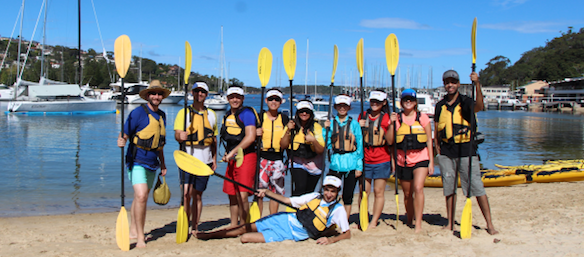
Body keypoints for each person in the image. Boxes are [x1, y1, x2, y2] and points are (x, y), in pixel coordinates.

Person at [196, 176, 351, 245]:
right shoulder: (314, 196)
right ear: (323, 188)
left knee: (245, 238)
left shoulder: (337, 210)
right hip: (283, 219)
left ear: (338, 193)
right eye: (327, 190)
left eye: (333, 191)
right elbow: (285, 200)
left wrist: (330, 240)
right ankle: (209, 235)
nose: (329, 194)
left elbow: (347, 234)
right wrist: (267, 192)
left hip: (289, 234)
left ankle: (213, 236)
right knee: (242, 228)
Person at [434, 70, 498, 235]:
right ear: (444, 84)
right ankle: (450, 223)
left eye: (453, 82)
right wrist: (438, 151)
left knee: (477, 187)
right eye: (447, 82)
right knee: (449, 189)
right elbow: (436, 130)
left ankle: (489, 224)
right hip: (447, 152)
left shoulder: (466, 102)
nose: (450, 85)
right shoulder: (440, 106)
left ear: (458, 84)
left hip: (466, 151)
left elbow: (480, 106)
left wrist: (477, 83)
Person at [117, 80, 168, 248]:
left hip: (153, 163)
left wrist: (163, 164)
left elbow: (159, 143)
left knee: (140, 197)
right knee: (141, 196)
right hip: (136, 160)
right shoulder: (138, 113)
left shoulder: (162, 116)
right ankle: (140, 236)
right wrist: (121, 140)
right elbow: (125, 133)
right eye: (153, 93)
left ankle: (133, 229)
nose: (156, 96)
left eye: (159, 94)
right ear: (147, 96)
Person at [387, 89, 434, 233]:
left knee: (418, 188)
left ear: (415, 103)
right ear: (401, 102)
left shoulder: (423, 117)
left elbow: (429, 142)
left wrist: (431, 162)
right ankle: (409, 217)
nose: (408, 102)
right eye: (406, 99)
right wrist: (391, 124)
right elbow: (390, 141)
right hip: (403, 160)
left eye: (411, 100)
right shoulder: (396, 118)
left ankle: (418, 224)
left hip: (421, 158)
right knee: (407, 194)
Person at [174, 82, 218, 234]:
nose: (200, 94)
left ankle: (195, 226)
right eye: (197, 91)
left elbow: (214, 139)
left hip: (204, 159)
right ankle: (184, 225)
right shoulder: (183, 113)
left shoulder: (212, 115)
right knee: (186, 193)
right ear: (192, 93)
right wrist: (181, 136)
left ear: (206, 94)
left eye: (203, 92)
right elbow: (176, 135)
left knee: (197, 195)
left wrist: (214, 159)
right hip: (186, 159)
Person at [220, 85, 258, 227]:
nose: (234, 100)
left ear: (242, 98)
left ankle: (244, 225)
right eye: (231, 97)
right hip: (232, 157)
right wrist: (227, 152)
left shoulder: (247, 114)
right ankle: (233, 224)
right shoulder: (228, 115)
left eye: (237, 97)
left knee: (242, 194)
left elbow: (250, 137)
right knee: (232, 193)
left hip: (246, 157)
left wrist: (232, 152)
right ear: (228, 98)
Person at [324, 94, 363, 217]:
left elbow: (360, 146)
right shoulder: (331, 123)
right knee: (331, 193)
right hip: (335, 163)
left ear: (349, 107)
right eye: (339, 106)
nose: (342, 108)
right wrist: (325, 130)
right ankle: (332, 217)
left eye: (344, 106)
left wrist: (359, 166)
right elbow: (327, 144)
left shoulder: (354, 124)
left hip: (351, 164)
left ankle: (345, 220)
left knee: (348, 195)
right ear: (335, 107)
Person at [357, 89, 391, 228]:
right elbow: (357, 138)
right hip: (366, 159)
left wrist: (392, 125)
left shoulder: (387, 118)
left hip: (382, 159)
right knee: (363, 191)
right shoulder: (363, 116)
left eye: (378, 101)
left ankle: (374, 220)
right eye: (372, 101)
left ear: (383, 103)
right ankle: (362, 217)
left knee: (378, 191)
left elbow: (390, 141)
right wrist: (359, 127)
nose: (374, 104)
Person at [280, 100, 326, 197]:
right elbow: (283, 146)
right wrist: (288, 130)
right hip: (297, 163)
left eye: (307, 111)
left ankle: (306, 210)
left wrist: (313, 140)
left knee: (309, 191)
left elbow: (321, 150)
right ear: (297, 113)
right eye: (301, 111)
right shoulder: (291, 126)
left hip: (314, 164)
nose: (304, 113)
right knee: (300, 187)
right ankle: (296, 209)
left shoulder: (316, 127)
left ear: (311, 113)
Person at [255, 89, 289, 215]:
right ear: (266, 101)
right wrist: (255, 133)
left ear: (281, 102)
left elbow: (285, 145)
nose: (273, 102)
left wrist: (289, 131)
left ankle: (272, 218)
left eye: (277, 99)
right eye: (271, 99)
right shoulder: (259, 117)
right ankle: (257, 220)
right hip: (261, 158)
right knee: (259, 192)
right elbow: (249, 136)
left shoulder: (284, 119)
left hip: (278, 159)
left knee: (275, 192)